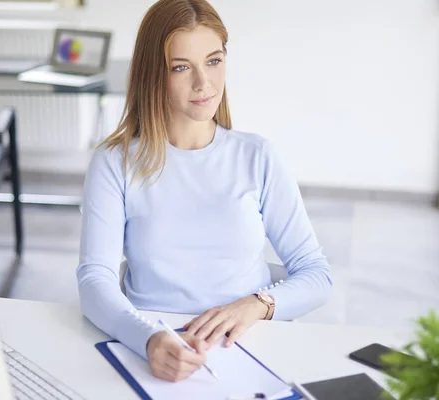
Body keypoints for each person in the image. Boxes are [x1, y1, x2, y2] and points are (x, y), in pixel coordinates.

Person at [77, 0, 332, 383]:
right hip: (150, 346)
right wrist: (147, 339)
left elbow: (316, 274)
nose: (204, 83)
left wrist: (256, 306)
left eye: (214, 61)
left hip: (246, 348)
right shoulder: (115, 162)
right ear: (153, 74)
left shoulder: (257, 156)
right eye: (182, 67)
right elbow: (95, 279)